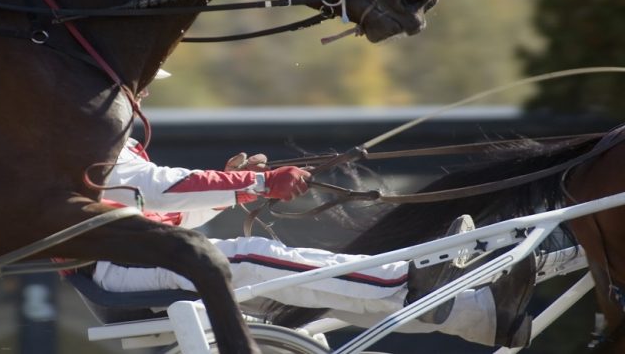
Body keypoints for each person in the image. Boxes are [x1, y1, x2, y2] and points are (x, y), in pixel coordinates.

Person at [89, 69, 535, 348]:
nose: (145, 93)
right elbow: (157, 187)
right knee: (249, 256)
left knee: (318, 290)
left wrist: (238, 190)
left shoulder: (107, 139)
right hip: (120, 267)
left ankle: (479, 317)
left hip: (141, 260)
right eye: (139, 83)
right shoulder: (93, 139)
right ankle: (408, 280)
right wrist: (258, 183)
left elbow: (166, 211)